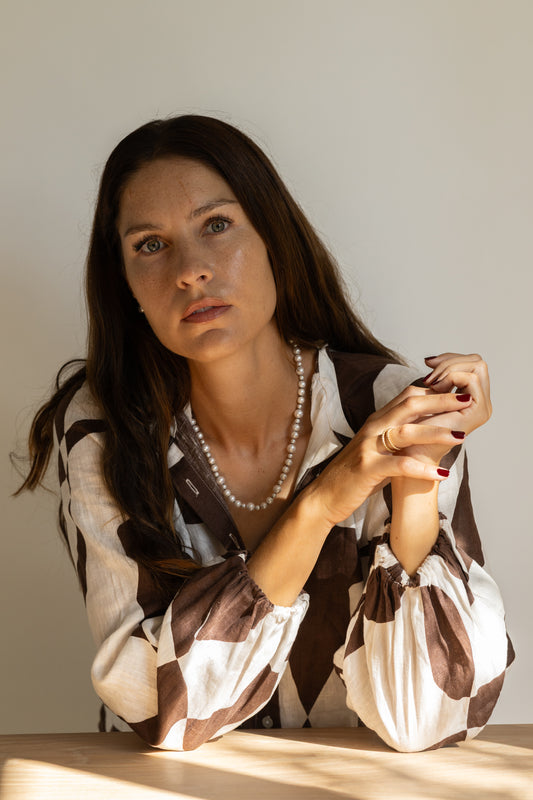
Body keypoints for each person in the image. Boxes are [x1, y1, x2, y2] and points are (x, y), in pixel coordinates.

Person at [17, 115, 513, 752]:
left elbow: (426, 718)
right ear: (126, 285)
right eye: (149, 244)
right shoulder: (106, 426)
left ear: (275, 239)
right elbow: (157, 708)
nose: (191, 270)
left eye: (217, 226)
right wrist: (323, 502)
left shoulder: (389, 408)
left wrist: (415, 490)